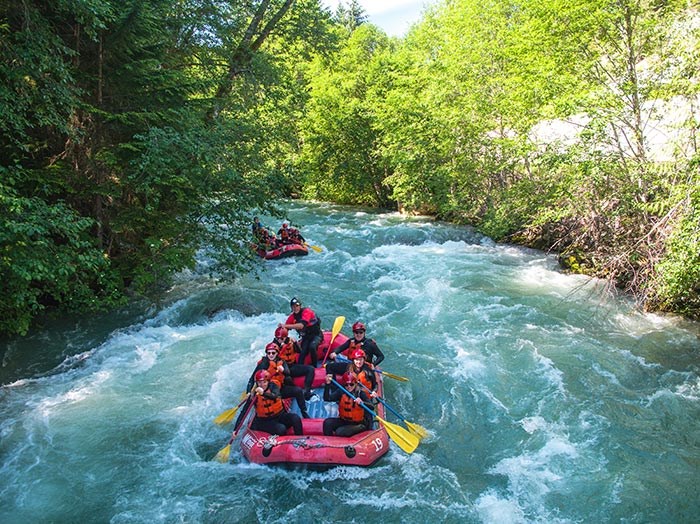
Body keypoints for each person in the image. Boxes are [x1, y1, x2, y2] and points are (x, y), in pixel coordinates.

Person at [247, 342, 310, 418]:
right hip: (268, 391)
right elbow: (252, 379)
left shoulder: (281, 361)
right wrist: (248, 391)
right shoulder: (263, 364)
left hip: (279, 388)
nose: (271, 355)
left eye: (273, 353)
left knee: (298, 391)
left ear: (277, 353)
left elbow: (288, 373)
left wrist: (283, 370)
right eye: (268, 353)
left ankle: (304, 411)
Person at [250, 370, 303, 436]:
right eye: (259, 383)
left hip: (279, 415)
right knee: (281, 429)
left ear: (268, 381)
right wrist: (235, 430)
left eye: (264, 382)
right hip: (266, 421)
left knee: (296, 418)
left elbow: (275, 396)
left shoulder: (274, 386)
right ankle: (284, 444)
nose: (262, 385)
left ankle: (300, 439)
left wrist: (263, 393)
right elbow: (244, 411)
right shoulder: (254, 394)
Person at [322, 372, 373, 437]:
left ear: (355, 384)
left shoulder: (360, 393)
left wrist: (362, 403)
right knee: (327, 423)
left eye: (351, 384)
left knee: (339, 432)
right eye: (346, 385)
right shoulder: (341, 392)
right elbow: (327, 398)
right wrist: (327, 385)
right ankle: (329, 444)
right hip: (344, 420)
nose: (349, 387)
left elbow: (371, 407)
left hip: (358, 423)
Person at [272, 326, 316, 401]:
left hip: (292, 366)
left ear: (286, 337)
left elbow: (300, 351)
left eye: (282, 338)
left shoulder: (290, 342)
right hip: (282, 370)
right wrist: (282, 347)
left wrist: (295, 343)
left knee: (310, 369)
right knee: (288, 378)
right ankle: (293, 394)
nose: (279, 340)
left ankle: (306, 391)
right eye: (277, 338)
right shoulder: (273, 348)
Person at [278, 297, 322, 367]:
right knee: (302, 352)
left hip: (316, 335)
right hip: (305, 337)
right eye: (293, 306)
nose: (295, 308)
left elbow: (301, 326)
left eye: (297, 306)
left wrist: (286, 325)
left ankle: (315, 366)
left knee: (312, 347)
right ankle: (299, 368)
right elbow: (285, 328)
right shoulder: (292, 317)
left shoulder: (307, 312)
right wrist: (281, 340)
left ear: (300, 306)